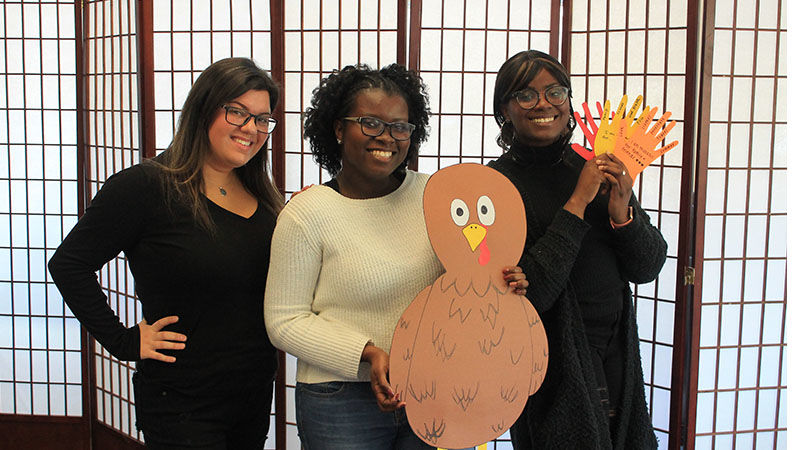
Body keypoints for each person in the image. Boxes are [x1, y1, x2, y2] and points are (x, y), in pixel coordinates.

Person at [263, 63, 529, 449]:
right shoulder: (307, 213)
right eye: (370, 123)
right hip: (341, 399)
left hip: (438, 386)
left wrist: (505, 282)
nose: (386, 137)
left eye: (400, 126)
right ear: (338, 129)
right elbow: (283, 320)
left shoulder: (438, 198)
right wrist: (368, 354)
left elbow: (471, 273)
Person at [48, 57, 283, 450]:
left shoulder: (266, 199)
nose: (251, 129)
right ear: (204, 109)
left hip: (252, 394)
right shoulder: (147, 186)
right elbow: (69, 264)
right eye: (237, 112)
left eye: (262, 119)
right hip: (181, 402)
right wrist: (123, 340)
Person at [487, 50, 667, 449]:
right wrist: (578, 201)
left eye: (555, 91)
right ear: (504, 110)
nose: (544, 104)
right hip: (552, 362)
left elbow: (648, 266)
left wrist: (623, 212)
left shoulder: (595, 164)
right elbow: (532, 295)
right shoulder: (495, 186)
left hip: (617, 347)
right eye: (526, 95)